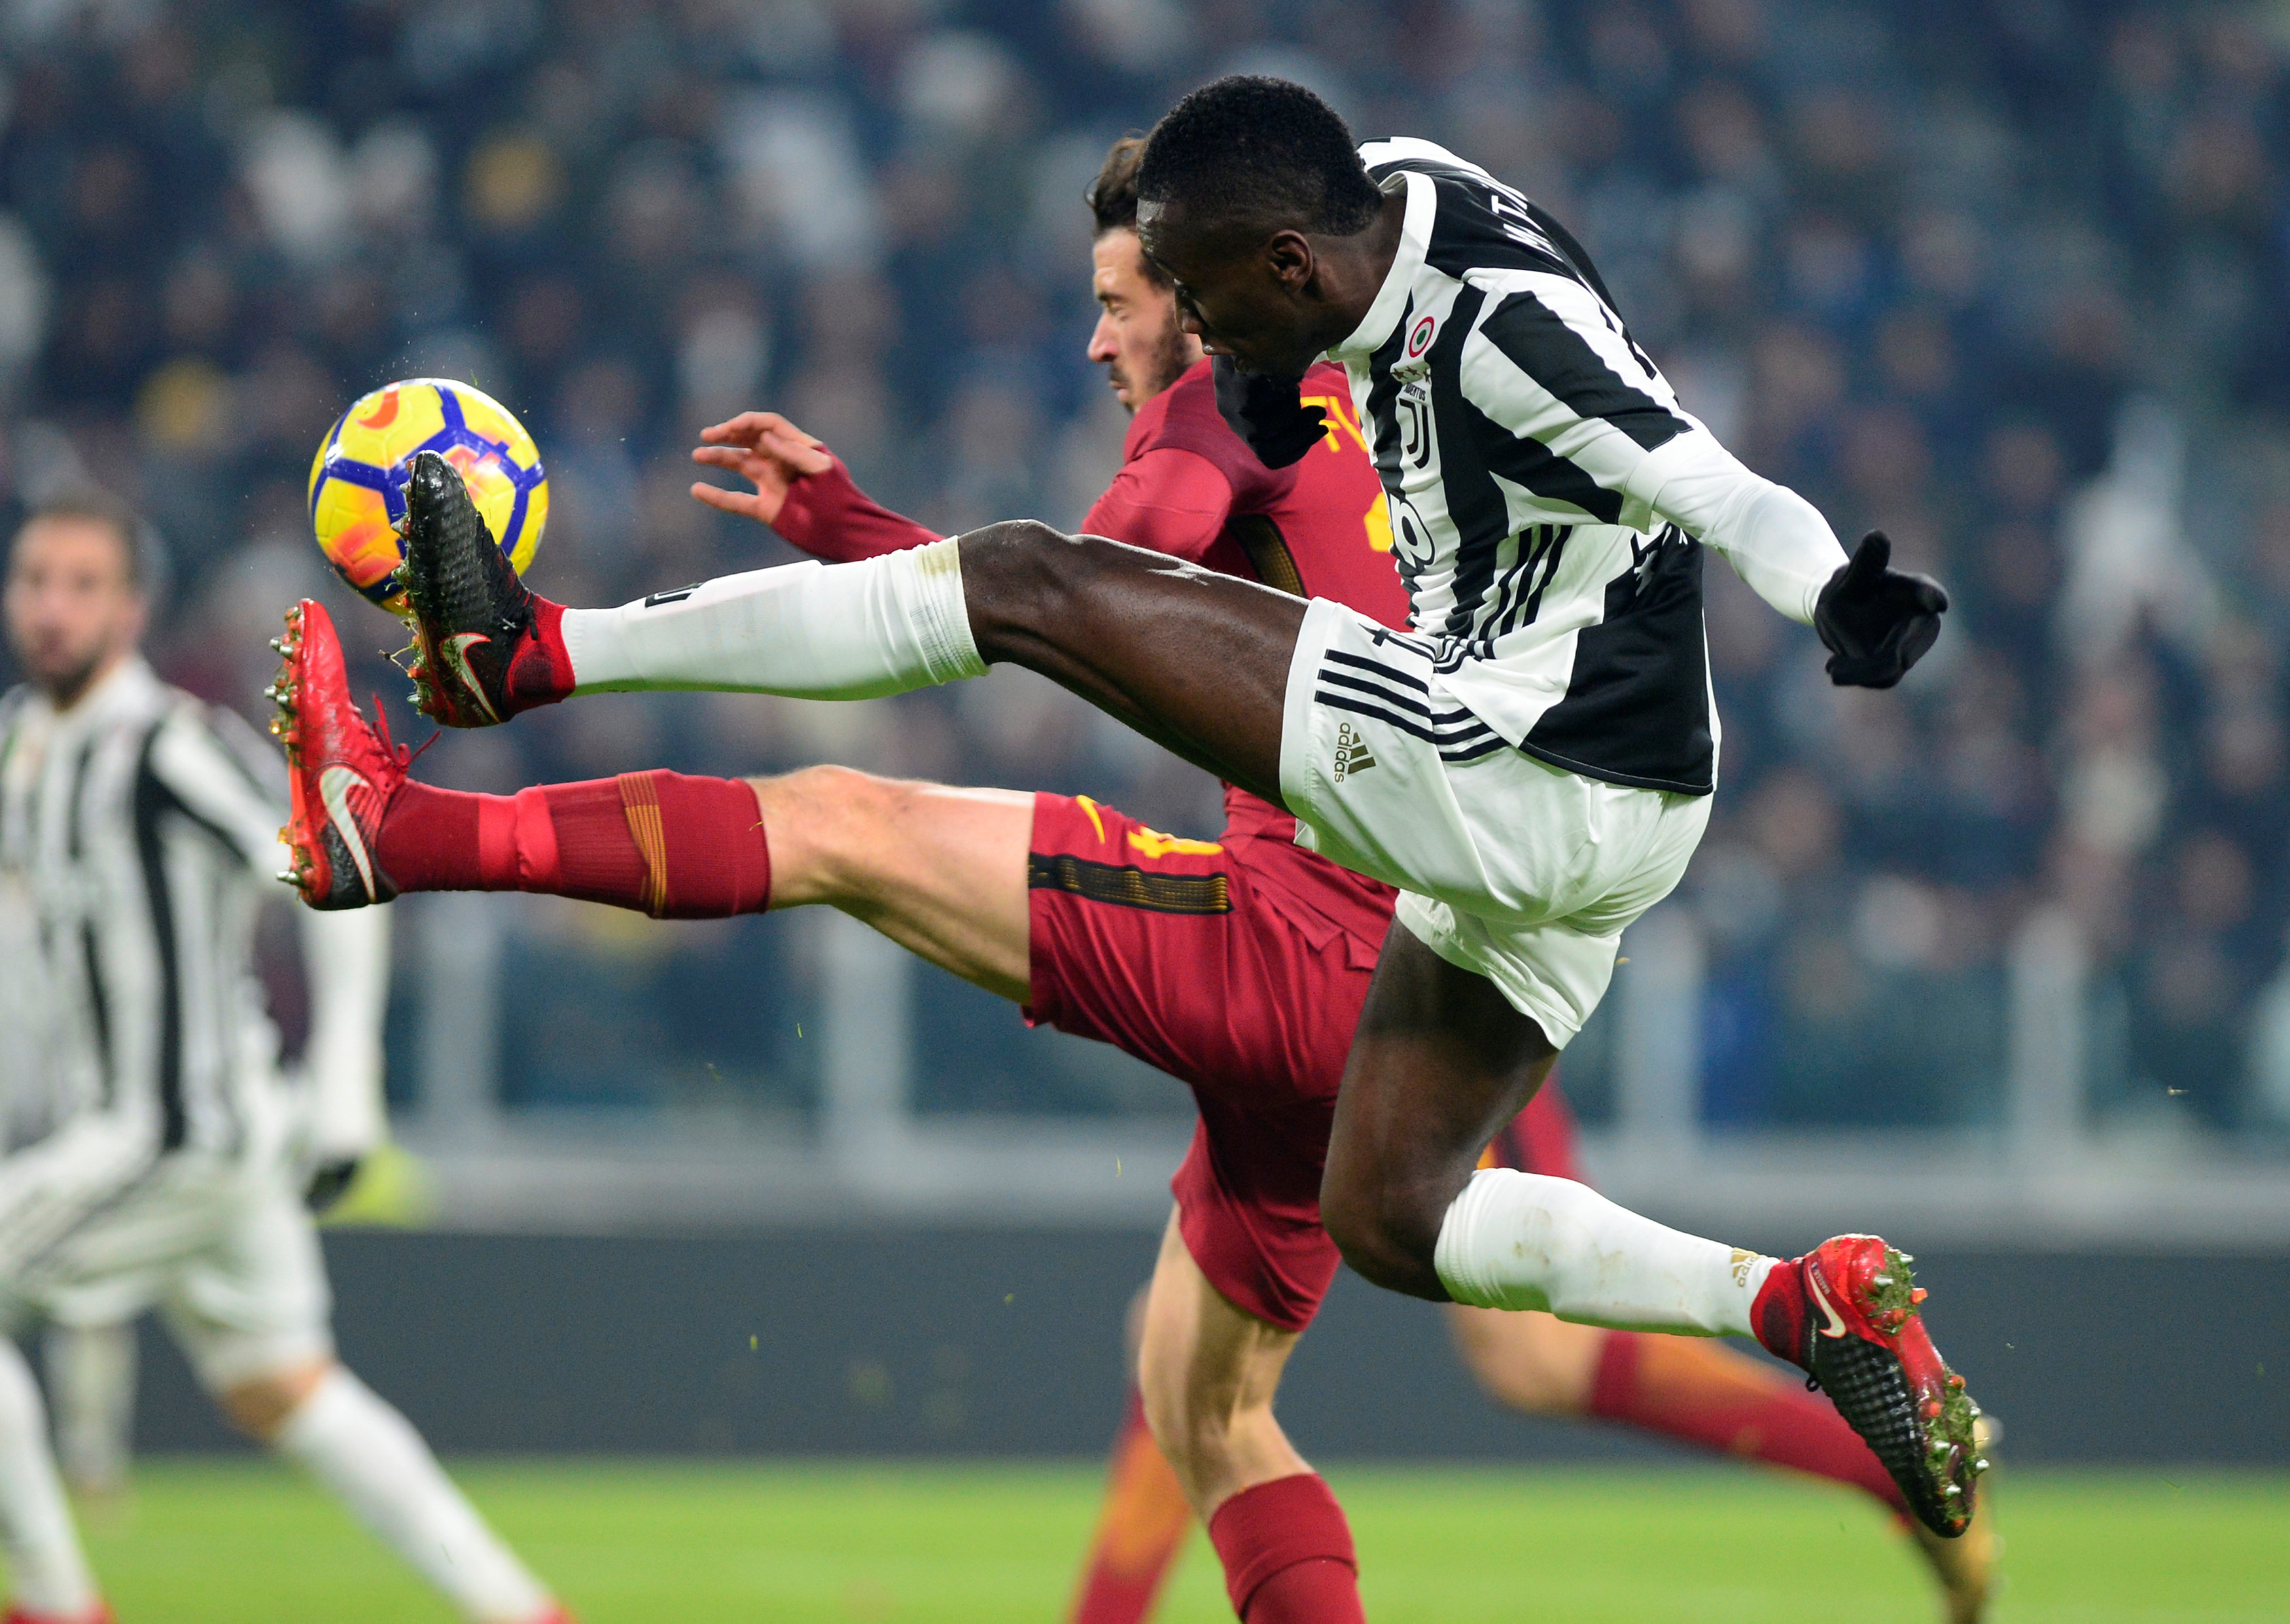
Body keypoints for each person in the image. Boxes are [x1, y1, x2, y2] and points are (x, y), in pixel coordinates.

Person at [277, 131, 1991, 1621]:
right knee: (1209, 1403)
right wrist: (868, 541)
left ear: (1213, 282)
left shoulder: (1210, 410)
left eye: (1118, 299)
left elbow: (1080, 593)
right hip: (1482, 898)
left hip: (1313, 927)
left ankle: (416, 814)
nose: (1099, 339)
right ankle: (1790, 1301)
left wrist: (875, 556)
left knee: (845, 826)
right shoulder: (1382, 328)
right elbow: (1097, 606)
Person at [0, 497, 572, 1624]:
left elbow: (337, 865)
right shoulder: (24, 741)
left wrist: (349, 1078)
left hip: (173, 1132)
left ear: (133, 608)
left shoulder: (169, 746)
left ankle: (58, 1603)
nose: (53, 607)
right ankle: (522, 1608)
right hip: (201, 1139)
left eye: (83, 583)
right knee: (285, 1390)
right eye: (35, 581)